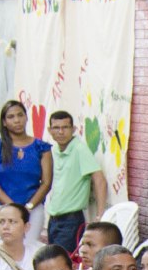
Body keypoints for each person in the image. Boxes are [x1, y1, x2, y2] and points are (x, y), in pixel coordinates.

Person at [40, 108, 104, 253]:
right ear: (50, 130)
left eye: (65, 127)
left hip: (71, 220)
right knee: (53, 261)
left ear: (73, 129)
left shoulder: (79, 149)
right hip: (53, 219)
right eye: (56, 128)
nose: (61, 132)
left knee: (62, 262)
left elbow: (99, 179)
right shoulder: (54, 150)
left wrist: (100, 215)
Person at [0, 99, 49, 213]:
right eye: (11, 117)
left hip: (32, 208)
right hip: (2, 208)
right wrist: (13, 207)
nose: (17, 120)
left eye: (20, 115)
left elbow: (46, 183)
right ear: (4, 122)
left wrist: (28, 207)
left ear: (26, 117)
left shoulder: (41, 147)